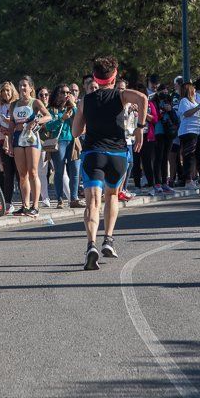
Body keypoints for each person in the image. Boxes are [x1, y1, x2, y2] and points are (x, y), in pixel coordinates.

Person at [73, 56, 147, 270]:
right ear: (114, 76)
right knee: (112, 195)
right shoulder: (122, 95)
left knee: (92, 202)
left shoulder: (85, 101)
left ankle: (91, 245)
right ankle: (108, 239)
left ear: (94, 77)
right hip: (117, 155)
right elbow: (142, 97)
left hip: (93, 154)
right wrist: (140, 128)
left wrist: (83, 115)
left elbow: (76, 132)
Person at [9, 76, 51, 217]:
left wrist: (37, 121)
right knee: (22, 174)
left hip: (32, 138)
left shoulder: (35, 102)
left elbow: (48, 116)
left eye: (25, 85)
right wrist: (9, 143)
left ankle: (35, 205)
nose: (22, 88)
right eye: (20, 85)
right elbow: (11, 125)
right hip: (18, 138)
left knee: (33, 172)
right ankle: (25, 205)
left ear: (31, 88)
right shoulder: (13, 105)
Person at [46, 84, 83, 208]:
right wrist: (62, 119)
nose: (66, 95)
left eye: (68, 92)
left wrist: (73, 106)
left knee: (75, 171)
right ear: (57, 94)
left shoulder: (72, 108)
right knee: (59, 171)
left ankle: (74, 199)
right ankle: (59, 199)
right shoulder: (51, 109)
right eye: (63, 92)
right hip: (59, 142)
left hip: (73, 141)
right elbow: (48, 126)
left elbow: (81, 120)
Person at [178, 82, 200, 190]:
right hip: (189, 131)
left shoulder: (195, 102)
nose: (195, 91)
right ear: (190, 90)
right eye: (194, 89)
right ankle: (188, 180)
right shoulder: (184, 101)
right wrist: (199, 106)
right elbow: (186, 113)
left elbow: (199, 115)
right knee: (189, 156)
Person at [0, 81, 19, 213]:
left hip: (17, 141)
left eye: (8, 90)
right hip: (3, 142)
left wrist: (10, 123)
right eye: (3, 91)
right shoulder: (0, 106)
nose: (6, 93)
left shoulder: (17, 104)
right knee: (7, 173)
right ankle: (8, 203)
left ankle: (25, 202)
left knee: (20, 173)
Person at [35, 86, 53, 208]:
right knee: (42, 171)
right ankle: (45, 198)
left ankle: (70, 198)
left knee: (61, 172)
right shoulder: (36, 109)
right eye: (41, 95)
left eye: (46, 95)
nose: (44, 97)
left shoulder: (53, 108)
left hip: (54, 141)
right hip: (42, 143)